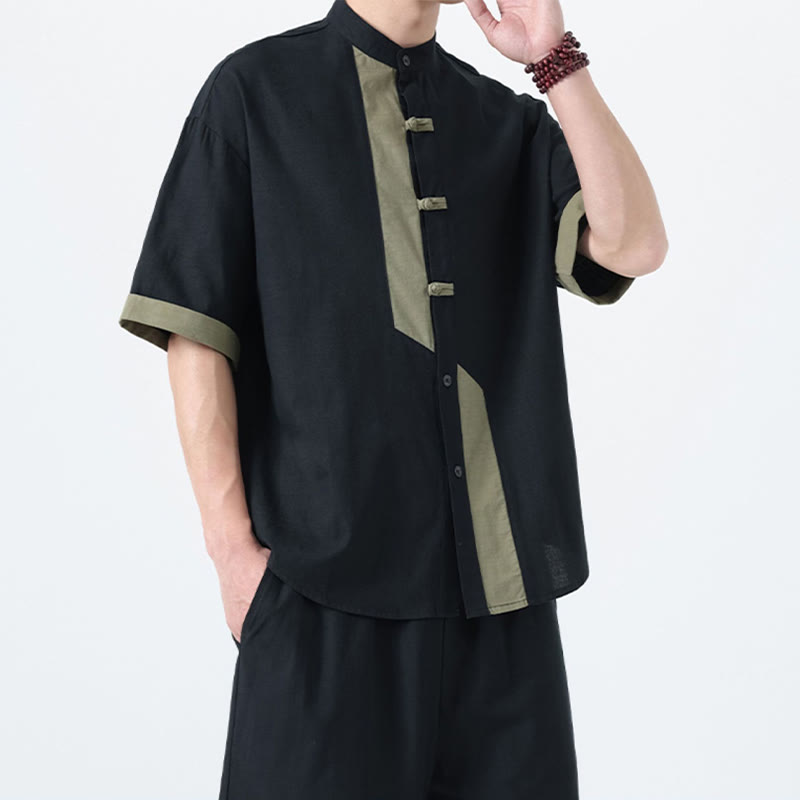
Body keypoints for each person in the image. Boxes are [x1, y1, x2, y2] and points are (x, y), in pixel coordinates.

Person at [117, 0, 667, 796]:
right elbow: (196, 330)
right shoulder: (254, 93)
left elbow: (634, 244)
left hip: (502, 617)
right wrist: (233, 554)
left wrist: (555, 61)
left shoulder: (502, 123)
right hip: (320, 598)